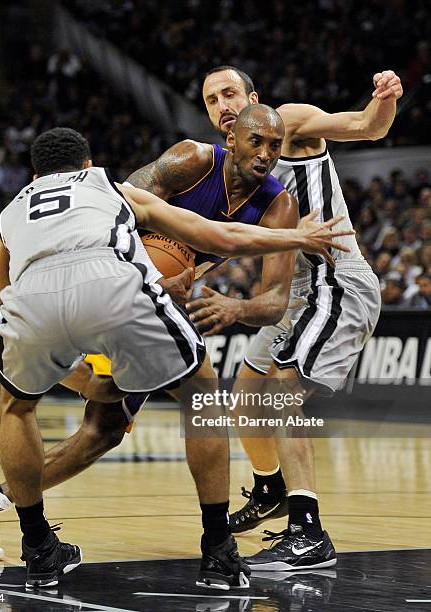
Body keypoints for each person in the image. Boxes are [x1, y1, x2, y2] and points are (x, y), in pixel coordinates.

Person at [0, 125, 348, 590]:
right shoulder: (112, 184)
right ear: (87, 164)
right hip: (117, 286)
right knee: (199, 389)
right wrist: (296, 240)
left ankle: (38, 548)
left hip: (31, 299)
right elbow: (215, 236)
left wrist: (30, 345)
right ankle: (218, 551)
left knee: (23, 409)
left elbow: (3, 281)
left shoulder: (12, 210)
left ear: (36, 173)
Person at [185, 65, 402, 571]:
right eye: (213, 99)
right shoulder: (229, 168)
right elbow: (231, 241)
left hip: (335, 279)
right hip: (292, 290)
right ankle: (270, 490)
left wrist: (386, 98)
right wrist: (187, 273)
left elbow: (368, 126)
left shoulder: (290, 123)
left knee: (282, 389)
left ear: (252, 96)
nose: (224, 104)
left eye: (230, 92)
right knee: (245, 396)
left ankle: (309, 532)